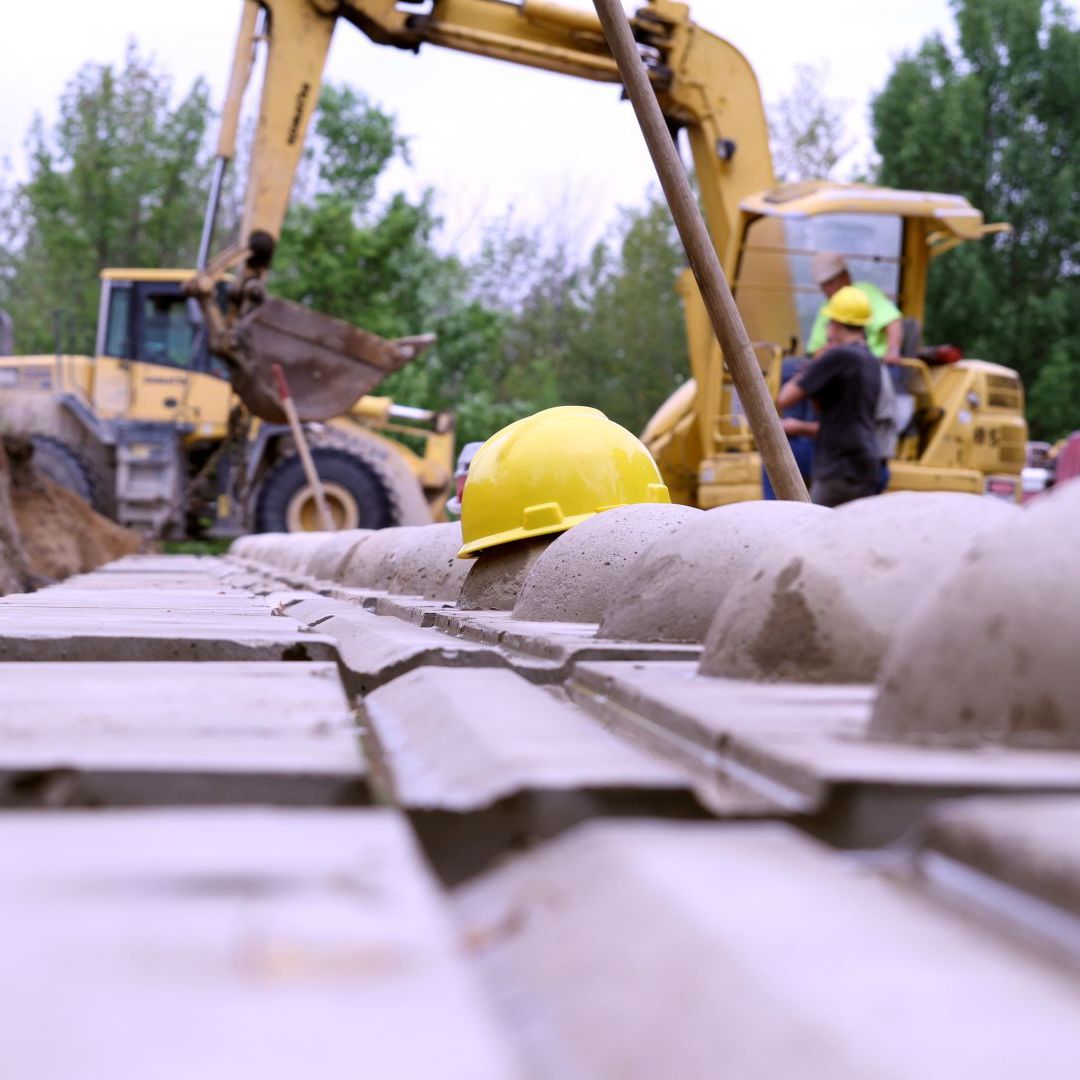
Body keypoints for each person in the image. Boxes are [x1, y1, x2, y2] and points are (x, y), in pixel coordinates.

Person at [777, 285, 882, 507]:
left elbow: (785, 398)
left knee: (813, 535)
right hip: (866, 467)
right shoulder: (871, 362)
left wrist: (809, 370)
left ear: (835, 325)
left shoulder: (836, 356)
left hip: (838, 469)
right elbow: (839, 421)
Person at [807, 252, 902, 364]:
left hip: (872, 364)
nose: (827, 289)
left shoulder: (866, 293)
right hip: (837, 368)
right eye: (823, 285)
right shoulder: (827, 307)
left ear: (846, 276)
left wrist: (893, 351)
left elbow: (892, 321)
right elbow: (815, 351)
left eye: (830, 282)